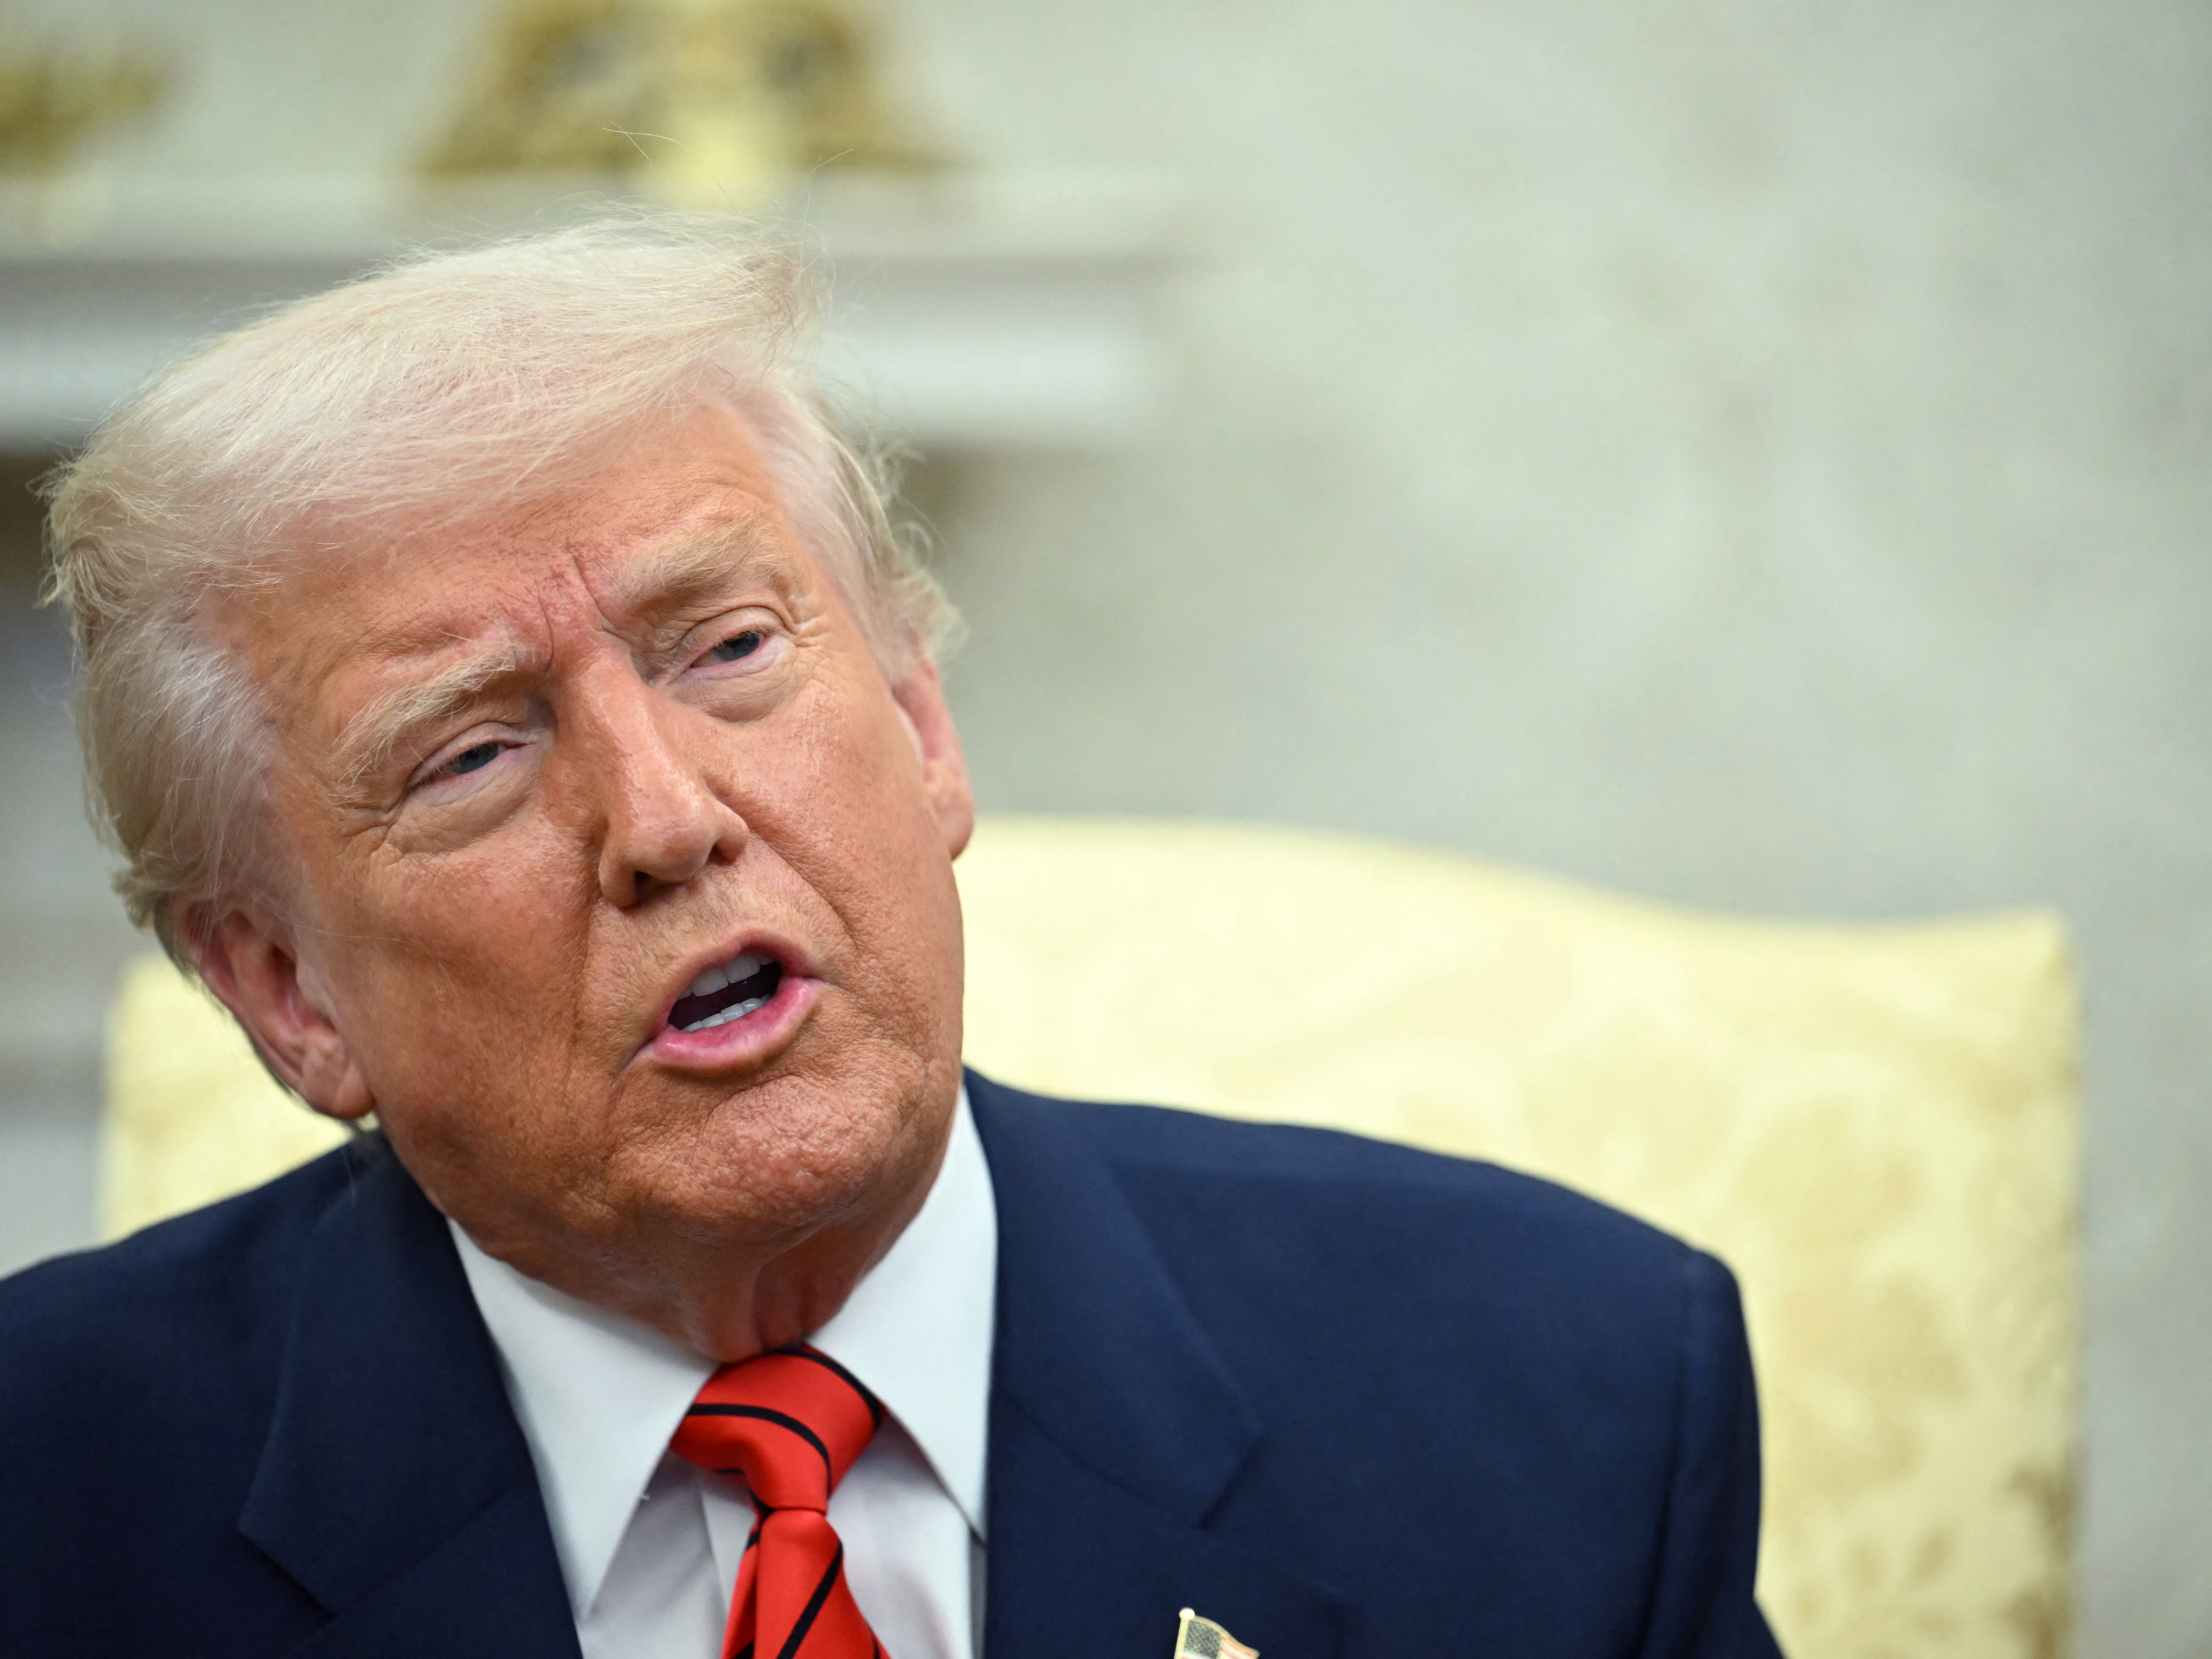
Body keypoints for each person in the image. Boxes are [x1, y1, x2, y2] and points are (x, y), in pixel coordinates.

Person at [0, 215, 1784, 1659]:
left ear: (925, 724)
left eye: (729, 650)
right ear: (285, 989)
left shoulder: (1570, 1401)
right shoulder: (45, 1509)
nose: (669, 819)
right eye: (473, 752)